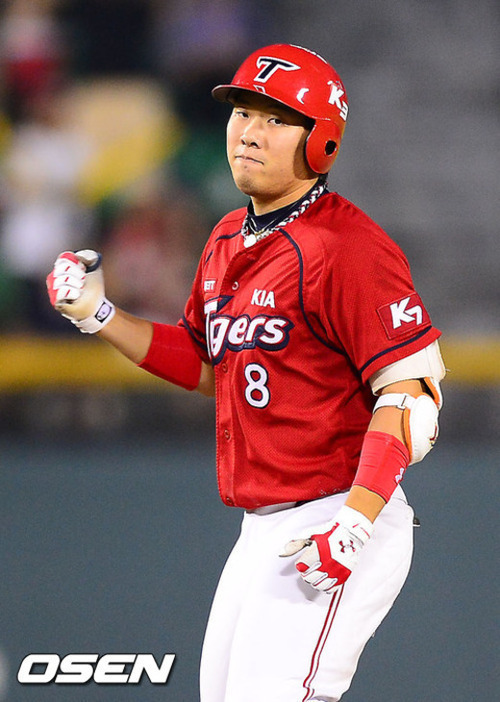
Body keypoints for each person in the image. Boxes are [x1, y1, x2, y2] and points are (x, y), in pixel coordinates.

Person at [47, 44, 446, 702]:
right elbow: (210, 364)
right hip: (264, 527)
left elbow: (410, 397)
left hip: (339, 512)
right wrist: (99, 314)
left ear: (320, 142)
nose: (250, 132)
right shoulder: (228, 236)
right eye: (243, 113)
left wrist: (355, 524)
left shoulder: (347, 246)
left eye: (275, 119)